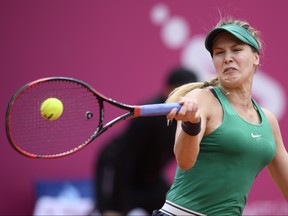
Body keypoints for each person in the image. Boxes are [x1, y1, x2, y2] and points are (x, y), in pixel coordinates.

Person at [153, 17, 288, 216]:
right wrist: (192, 124)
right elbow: (184, 161)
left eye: (236, 49)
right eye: (219, 53)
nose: (227, 58)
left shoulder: (268, 120)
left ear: (256, 57)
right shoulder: (200, 99)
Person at [92, 67, 199, 216]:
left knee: (174, 209)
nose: (186, 97)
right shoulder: (149, 116)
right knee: (112, 212)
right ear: (168, 90)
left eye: (191, 92)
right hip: (118, 168)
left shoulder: (191, 117)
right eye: (182, 91)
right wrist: (115, 206)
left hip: (149, 178)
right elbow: (126, 157)